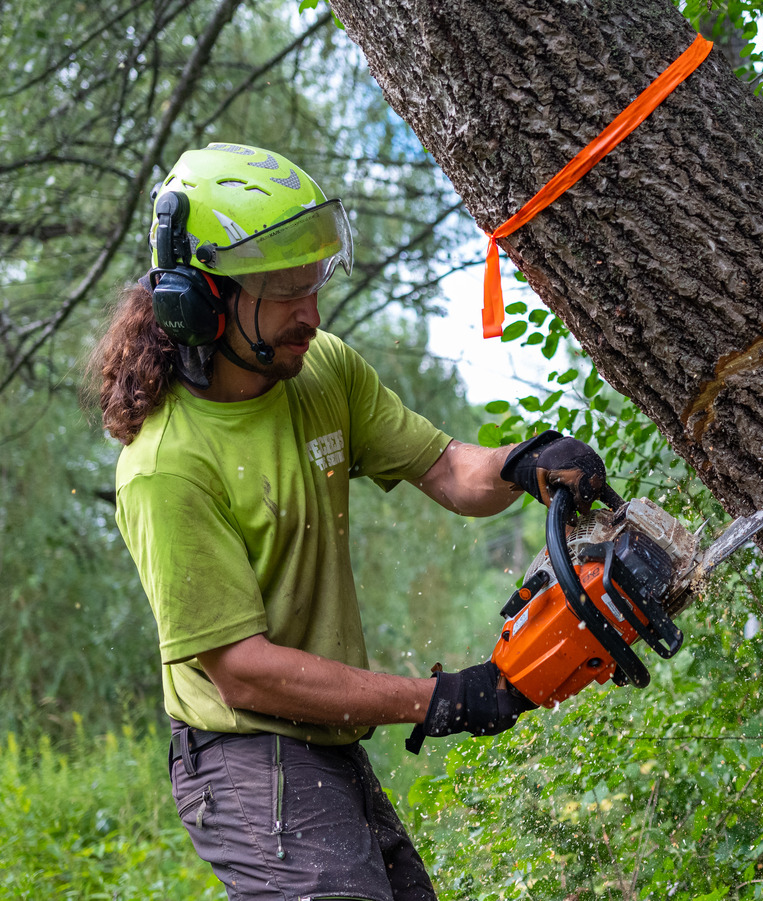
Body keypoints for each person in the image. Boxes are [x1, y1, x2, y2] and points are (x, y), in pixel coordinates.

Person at [89, 142, 614, 900]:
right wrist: (436, 697)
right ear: (200, 298)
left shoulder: (321, 368)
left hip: (323, 738)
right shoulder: (167, 464)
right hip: (243, 754)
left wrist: (522, 462)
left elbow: (444, 468)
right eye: (281, 291)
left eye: (314, 283)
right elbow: (241, 669)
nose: (311, 312)